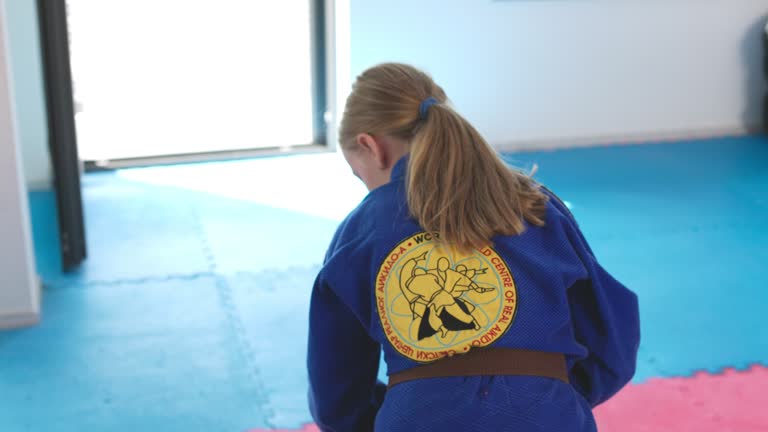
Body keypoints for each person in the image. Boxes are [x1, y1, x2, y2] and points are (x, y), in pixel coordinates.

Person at [307, 63, 640, 431]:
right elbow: (612, 341)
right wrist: (545, 394)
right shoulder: (535, 205)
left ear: (371, 146)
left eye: (359, 174)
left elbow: (335, 391)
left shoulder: (361, 229)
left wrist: (403, 411)